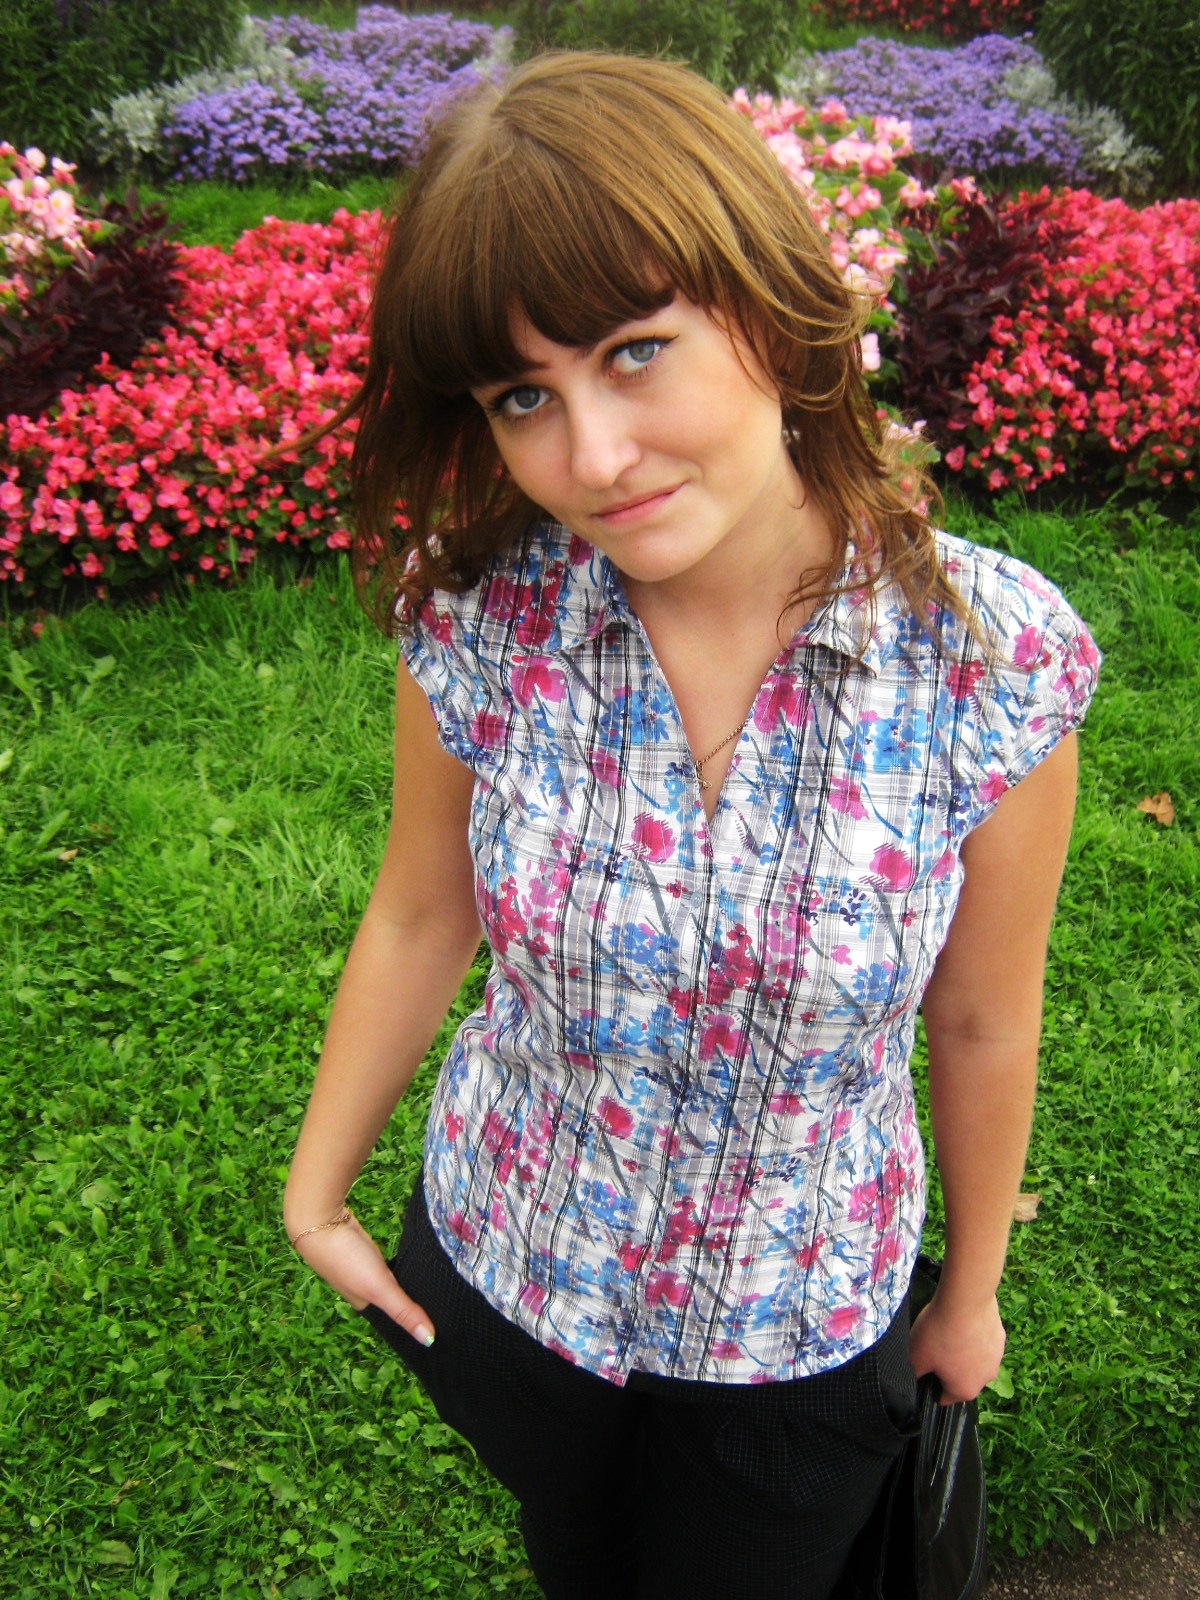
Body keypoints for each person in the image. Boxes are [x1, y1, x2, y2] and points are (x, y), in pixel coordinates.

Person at [283, 50, 1100, 1600]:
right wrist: (316, 1191)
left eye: (636, 352)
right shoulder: (480, 619)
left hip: (797, 1339)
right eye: (524, 396)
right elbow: (420, 912)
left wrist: (973, 1294)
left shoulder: (990, 660)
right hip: (516, 1281)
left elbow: (986, 1017)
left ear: (773, 309)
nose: (590, 458)